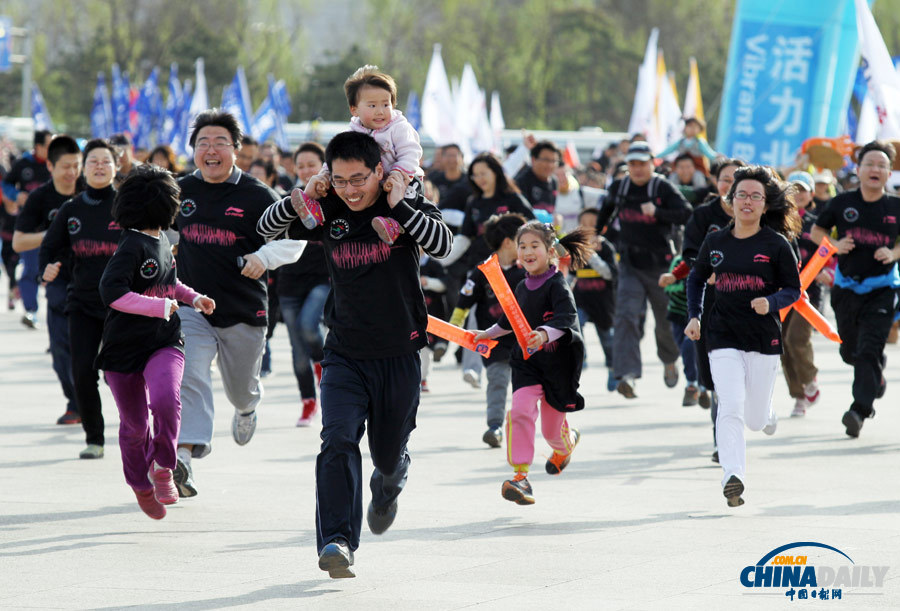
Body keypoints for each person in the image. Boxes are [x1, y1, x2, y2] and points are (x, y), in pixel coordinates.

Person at [257, 131, 452, 579]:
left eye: (359, 179)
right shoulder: (328, 210)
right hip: (344, 352)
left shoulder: (405, 201)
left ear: (379, 171)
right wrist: (303, 196)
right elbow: (265, 228)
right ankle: (337, 540)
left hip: (400, 354)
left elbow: (444, 246)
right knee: (337, 440)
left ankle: (390, 476)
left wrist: (401, 205)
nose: (351, 189)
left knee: (385, 454)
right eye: (340, 179)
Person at [172, 109, 302, 498]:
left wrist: (263, 258)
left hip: (244, 309)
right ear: (193, 149)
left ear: (236, 149)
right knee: (190, 373)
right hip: (194, 306)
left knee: (240, 388)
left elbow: (294, 240)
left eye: (220, 143)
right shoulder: (179, 191)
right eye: (202, 144)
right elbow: (157, 231)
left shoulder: (256, 194)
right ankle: (185, 455)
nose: (210, 151)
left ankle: (247, 408)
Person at [96, 165, 215, 520]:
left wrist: (194, 298)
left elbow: (169, 283)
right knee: (134, 427)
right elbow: (111, 292)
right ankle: (139, 483)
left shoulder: (163, 239)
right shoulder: (131, 245)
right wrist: (158, 306)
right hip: (122, 349)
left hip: (165, 341)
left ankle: (164, 466)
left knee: (166, 399)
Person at [685, 165, 801, 507]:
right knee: (730, 405)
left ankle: (767, 415)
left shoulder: (776, 244)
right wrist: (694, 316)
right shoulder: (715, 241)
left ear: (766, 205)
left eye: (756, 196)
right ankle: (732, 475)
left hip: (763, 338)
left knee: (754, 418)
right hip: (721, 334)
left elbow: (793, 289)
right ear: (730, 200)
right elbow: (696, 278)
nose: (747, 201)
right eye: (741, 195)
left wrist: (772, 302)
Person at [473, 220, 591, 504]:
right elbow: (508, 321)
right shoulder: (521, 286)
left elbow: (566, 320)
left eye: (534, 245)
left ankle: (566, 444)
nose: (527, 251)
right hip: (526, 365)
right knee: (520, 413)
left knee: (553, 432)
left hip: (556, 368)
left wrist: (543, 334)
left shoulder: (557, 285)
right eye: (522, 246)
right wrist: (486, 334)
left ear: (550, 251)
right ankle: (520, 476)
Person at [811, 140, 900, 438]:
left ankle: (858, 410)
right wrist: (834, 245)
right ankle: (875, 379)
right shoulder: (841, 202)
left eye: (882, 165)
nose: (875, 169)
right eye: (870, 164)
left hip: (883, 288)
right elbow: (816, 231)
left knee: (868, 349)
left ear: (889, 173)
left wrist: (894, 253)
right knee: (850, 351)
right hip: (846, 288)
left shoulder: (896, 205)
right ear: (858, 169)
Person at [39, 139, 122, 459]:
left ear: (116, 167)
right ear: (83, 169)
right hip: (83, 303)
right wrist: (46, 270)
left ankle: (137, 430)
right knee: (82, 372)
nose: (99, 166)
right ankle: (95, 438)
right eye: (93, 161)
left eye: (105, 161)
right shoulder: (71, 209)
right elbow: (49, 248)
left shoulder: (128, 206)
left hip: (125, 306)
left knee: (125, 374)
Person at [595, 141, 692, 398]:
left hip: (662, 266)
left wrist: (658, 212)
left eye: (642, 164)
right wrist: (595, 235)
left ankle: (670, 360)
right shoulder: (621, 186)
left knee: (665, 320)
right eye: (632, 164)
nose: (637, 169)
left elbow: (686, 213)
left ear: (652, 163)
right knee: (626, 315)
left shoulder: (662, 187)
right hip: (629, 264)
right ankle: (627, 375)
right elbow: (604, 213)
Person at [672, 158, 745, 461]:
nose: (729, 186)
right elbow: (689, 251)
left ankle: (751, 417)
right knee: (717, 378)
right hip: (711, 304)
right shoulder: (703, 215)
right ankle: (722, 442)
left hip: (748, 306)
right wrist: (704, 269)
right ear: (716, 183)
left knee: (744, 378)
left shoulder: (757, 216)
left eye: (736, 181)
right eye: (724, 180)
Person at [311, 65, 424, 247]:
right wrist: (325, 174)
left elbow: (411, 153)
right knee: (338, 187)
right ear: (354, 109)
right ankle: (315, 210)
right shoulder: (353, 130)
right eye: (372, 105)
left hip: (404, 177)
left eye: (386, 104)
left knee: (405, 197)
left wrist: (397, 173)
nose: (380, 111)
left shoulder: (399, 127)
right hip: (371, 182)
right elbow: (338, 156)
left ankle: (396, 225)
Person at [12, 135, 82, 425]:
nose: (72, 172)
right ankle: (75, 403)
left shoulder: (94, 190)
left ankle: (88, 398)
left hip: (99, 281)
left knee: (94, 349)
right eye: (65, 166)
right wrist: (52, 234)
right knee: (61, 350)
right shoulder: (40, 198)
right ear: (50, 166)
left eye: (76, 166)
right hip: (59, 281)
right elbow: (18, 242)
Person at [451, 213, 527, 447]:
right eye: (521, 242)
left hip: (523, 342)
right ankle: (494, 427)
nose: (525, 248)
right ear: (507, 242)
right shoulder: (484, 272)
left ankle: (524, 426)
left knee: (525, 388)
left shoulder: (525, 271)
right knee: (497, 382)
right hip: (492, 342)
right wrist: (454, 326)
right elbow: (465, 300)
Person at [278, 142, 330, 426]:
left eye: (312, 164)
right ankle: (308, 404)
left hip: (322, 280)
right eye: (301, 166)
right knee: (298, 355)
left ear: (323, 165)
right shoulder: (288, 201)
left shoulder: (334, 199)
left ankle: (324, 367)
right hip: (289, 283)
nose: (306, 170)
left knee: (309, 325)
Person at [782, 171, 825, 417]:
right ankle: (799, 397)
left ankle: (809, 379)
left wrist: (827, 271)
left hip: (809, 293)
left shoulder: (818, 221)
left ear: (811, 194)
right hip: (781, 292)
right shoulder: (777, 220)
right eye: (793, 190)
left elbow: (830, 250)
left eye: (803, 190)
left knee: (796, 338)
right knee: (782, 345)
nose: (798, 195)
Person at [3, 129, 53, 328]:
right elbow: (7, 184)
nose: (52, 150)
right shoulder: (23, 164)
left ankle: (61, 315)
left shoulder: (57, 164)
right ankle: (30, 311)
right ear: (38, 146)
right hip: (30, 227)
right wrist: (16, 196)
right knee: (30, 268)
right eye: (49, 146)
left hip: (56, 226)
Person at [571, 207, 617, 391]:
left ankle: (613, 370)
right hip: (582, 299)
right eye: (584, 225)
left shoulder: (606, 247)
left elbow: (610, 274)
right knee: (576, 324)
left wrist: (593, 255)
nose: (588, 229)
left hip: (603, 303)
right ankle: (582, 358)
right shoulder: (577, 248)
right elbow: (571, 275)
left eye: (593, 225)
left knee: (607, 339)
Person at [514, 141, 560, 213]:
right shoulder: (521, 182)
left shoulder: (554, 181)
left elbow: (550, 215)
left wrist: (551, 223)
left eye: (554, 161)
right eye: (546, 160)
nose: (550, 165)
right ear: (533, 159)